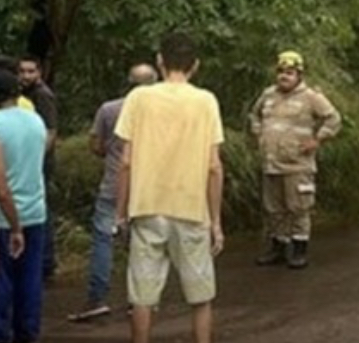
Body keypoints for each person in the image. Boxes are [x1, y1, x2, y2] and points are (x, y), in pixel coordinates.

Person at [114, 32, 225, 343]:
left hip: (147, 207)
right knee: (200, 296)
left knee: (143, 296)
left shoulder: (138, 98)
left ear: (159, 61)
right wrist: (215, 222)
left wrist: (120, 214)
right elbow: (214, 166)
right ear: (196, 65)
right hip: (191, 209)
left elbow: (125, 162)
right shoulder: (206, 101)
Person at [67, 63, 159, 323]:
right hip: (148, 187)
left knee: (103, 241)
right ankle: (139, 302)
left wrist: (113, 154)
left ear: (128, 82)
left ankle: (97, 299)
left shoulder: (109, 109)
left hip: (113, 184)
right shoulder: (162, 112)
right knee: (143, 244)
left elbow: (96, 145)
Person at [249, 51, 341, 270]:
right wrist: (259, 133)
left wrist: (317, 139)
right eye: (281, 72)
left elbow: (334, 119)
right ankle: (278, 248)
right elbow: (254, 115)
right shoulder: (268, 94)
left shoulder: (311, 97)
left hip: (297, 165)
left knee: (298, 208)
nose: (284, 76)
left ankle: (299, 250)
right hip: (271, 163)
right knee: (274, 209)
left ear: (299, 74)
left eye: (289, 72)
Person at [0, 69, 47, 343]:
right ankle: (28, 332)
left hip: (6, 219)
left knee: (3, 280)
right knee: (30, 278)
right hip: (35, 212)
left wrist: (14, 225)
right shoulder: (35, 121)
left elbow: (2, 189)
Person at [16, 56, 57, 280]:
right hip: (31, 161)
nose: (26, 76)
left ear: (39, 72)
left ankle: (46, 262)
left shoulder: (42, 95)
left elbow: (51, 132)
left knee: (43, 208)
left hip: (41, 162)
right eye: (22, 71)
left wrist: (35, 159)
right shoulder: (24, 95)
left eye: (31, 71)